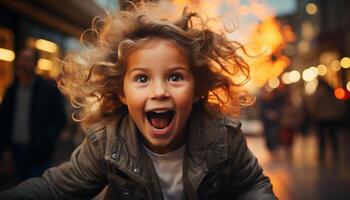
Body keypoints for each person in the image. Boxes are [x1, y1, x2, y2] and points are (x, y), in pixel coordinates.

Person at [0, 3, 276, 199]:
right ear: (122, 92)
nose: (159, 92)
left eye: (175, 77)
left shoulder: (223, 137)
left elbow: (253, 185)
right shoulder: (108, 142)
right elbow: (54, 189)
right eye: (142, 79)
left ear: (197, 89)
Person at [0, 48, 67, 182]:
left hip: (39, 153)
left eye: (27, 60)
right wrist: (5, 147)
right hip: (16, 149)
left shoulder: (48, 89)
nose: (22, 64)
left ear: (35, 64)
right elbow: (4, 120)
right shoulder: (11, 90)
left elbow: (60, 119)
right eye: (21, 60)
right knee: (20, 186)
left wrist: (45, 142)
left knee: (39, 188)